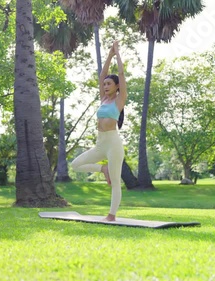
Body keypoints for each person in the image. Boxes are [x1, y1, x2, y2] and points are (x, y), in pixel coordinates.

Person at [71, 40, 127, 222]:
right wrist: (109, 55)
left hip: (113, 144)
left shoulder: (120, 100)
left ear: (117, 86)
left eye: (109, 84)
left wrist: (117, 54)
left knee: (116, 182)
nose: (105, 86)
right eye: (104, 85)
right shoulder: (103, 99)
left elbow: (121, 73)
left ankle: (111, 215)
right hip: (100, 143)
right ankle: (103, 169)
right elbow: (103, 73)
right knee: (75, 165)